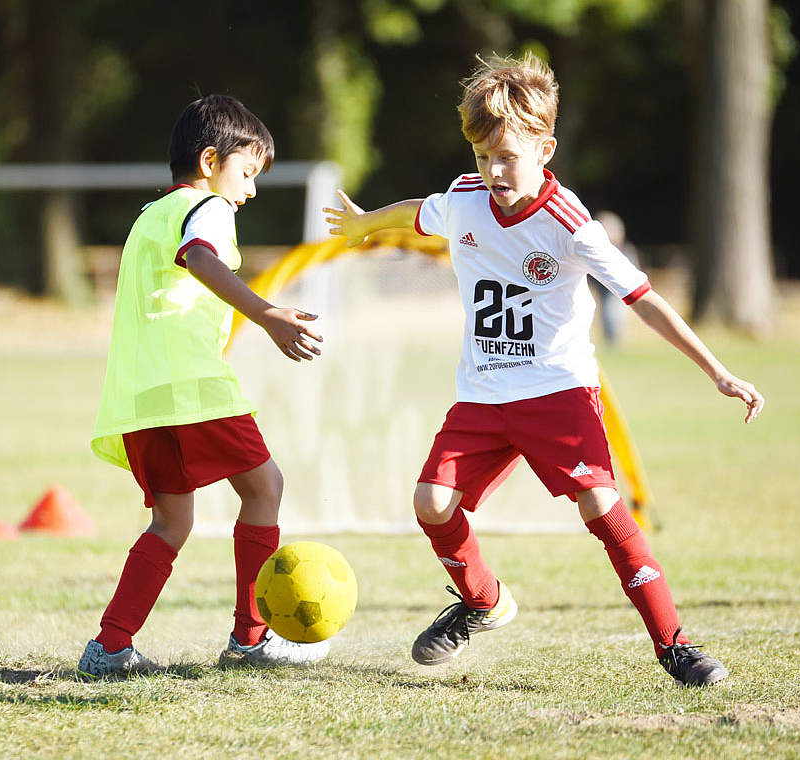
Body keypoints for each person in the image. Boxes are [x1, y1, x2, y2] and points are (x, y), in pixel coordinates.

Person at [325, 54, 764, 687]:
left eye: (506, 156)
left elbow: (645, 302)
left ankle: (675, 646)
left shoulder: (571, 225)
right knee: (431, 502)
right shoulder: (467, 199)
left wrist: (718, 371)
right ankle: (484, 600)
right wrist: (368, 222)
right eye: (481, 157)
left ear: (545, 148)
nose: (492, 172)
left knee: (600, 506)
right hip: (482, 394)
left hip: (558, 391)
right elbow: (424, 208)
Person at [79, 95, 327, 678]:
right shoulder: (208, 208)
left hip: (144, 396)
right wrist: (266, 314)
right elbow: (200, 257)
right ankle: (252, 638)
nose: (251, 190)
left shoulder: (148, 215)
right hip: (191, 386)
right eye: (247, 173)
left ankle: (110, 646)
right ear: (211, 160)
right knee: (265, 488)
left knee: (173, 521)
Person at [589, 211, 639, 348]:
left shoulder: (625, 251)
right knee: (606, 313)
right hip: (603, 287)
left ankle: (616, 341)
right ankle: (611, 341)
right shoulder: (596, 251)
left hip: (619, 288)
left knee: (614, 313)